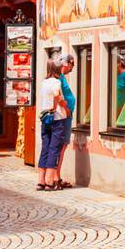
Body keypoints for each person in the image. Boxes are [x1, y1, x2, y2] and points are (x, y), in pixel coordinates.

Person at [36, 56, 69, 191]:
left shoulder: (44, 82)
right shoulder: (56, 82)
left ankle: (41, 181)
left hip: (45, 119)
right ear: (57, 69)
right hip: (56, 119)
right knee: (54, 149)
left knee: (45, 148)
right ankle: (49, 182)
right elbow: (56, 94)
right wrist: (59, 104)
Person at [52, 52, 77, 189]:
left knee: (62, 145)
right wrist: (66, 109)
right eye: (72, 64)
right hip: (64, 115)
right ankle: (56, 177)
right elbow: (59, 95)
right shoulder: (59, 77)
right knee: (61, 145)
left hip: (66, 114)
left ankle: (57, 176)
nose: (73, 68)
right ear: (66, 63)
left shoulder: (61, 77)